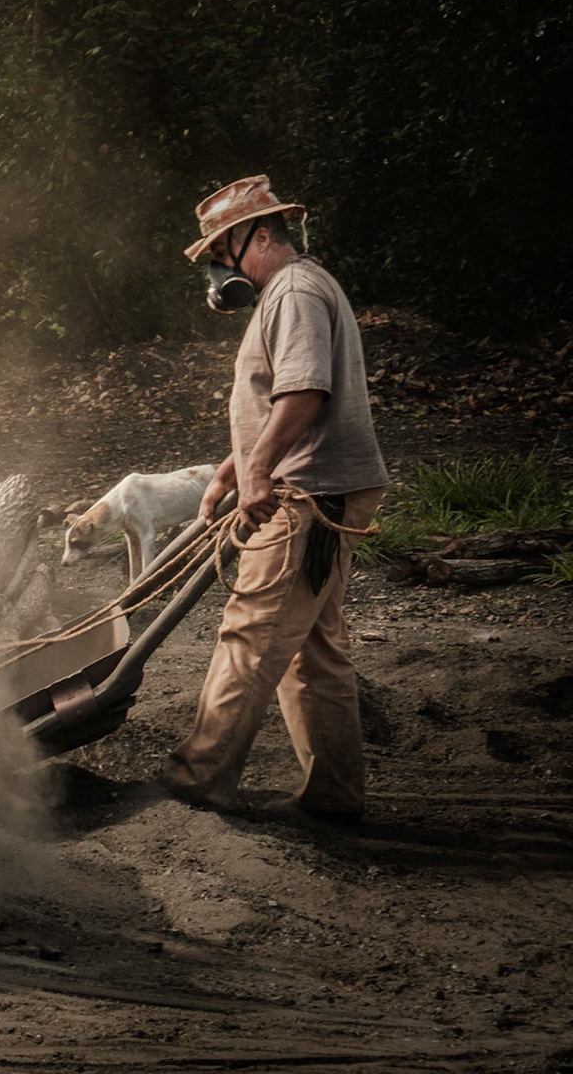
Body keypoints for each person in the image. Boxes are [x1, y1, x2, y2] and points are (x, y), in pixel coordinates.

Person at [157, 175, 390, 820]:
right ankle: (334, 797)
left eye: (215, 255)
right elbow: (283, 396)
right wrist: (235, 468)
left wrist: (260, 472)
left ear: (257, 236)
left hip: (309, 494)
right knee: (313, 653)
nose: (212, 271)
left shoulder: (292, 290)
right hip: (323, 486)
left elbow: (305, 392)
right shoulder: (297, 290)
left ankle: (196, 779)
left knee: (250, 632)